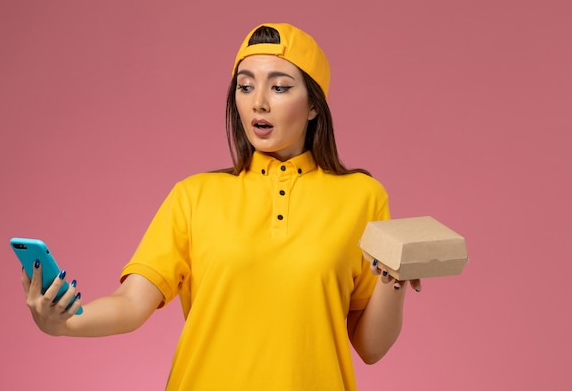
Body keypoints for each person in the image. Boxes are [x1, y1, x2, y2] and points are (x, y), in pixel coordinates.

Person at [21, 22, 422, 391]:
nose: (258, 103)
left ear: (315, 105)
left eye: (279, 87)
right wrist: (65, 322)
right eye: (245, 87)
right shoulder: (194, 195)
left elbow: (370, 347)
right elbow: (131, 304)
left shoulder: (362, 197)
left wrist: (395, 281)